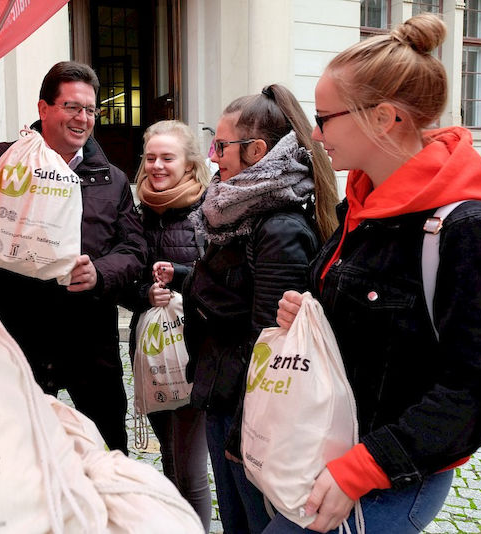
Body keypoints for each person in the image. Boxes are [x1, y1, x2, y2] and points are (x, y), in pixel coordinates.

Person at [273, 14, 481, 534]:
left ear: (385, 117)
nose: (316, 136)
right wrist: (311, 315)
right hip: (332, 452)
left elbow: (478, 392)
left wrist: (363, 470)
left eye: (324, 119)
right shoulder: (363, 202)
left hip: (388, 479)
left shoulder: (467, 230)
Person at [0, 61, 147, 455]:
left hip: (90, 344)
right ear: (44, 109)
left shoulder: (112, 179)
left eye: (91, 110)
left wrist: (100, 273)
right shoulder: (1, 160)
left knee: (110, 451)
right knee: (20, 451)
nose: (83, 118)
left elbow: (134, 251)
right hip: (20, 335)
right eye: (72, 107)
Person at [181, 85, 339, 534]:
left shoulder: (279, 227)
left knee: (249, 524)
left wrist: (241, 431)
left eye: (220, 144)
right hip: (224, 394)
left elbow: (272, 343)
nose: (213, 156)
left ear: (256, 151)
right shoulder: (235, 213)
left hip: (249, 415)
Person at [123, 119, 212, 530]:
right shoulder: (136, 214)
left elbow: (223, 284)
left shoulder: (209, 213)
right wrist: (145, 293)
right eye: (151, 157)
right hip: (150, 349)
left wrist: (178, 277)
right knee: (170, 455)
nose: (157, 166)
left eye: (168, 158)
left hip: (196, 351)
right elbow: (124, 278)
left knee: (189, 466)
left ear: (189, 164)